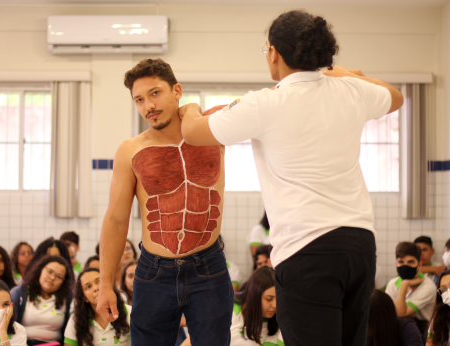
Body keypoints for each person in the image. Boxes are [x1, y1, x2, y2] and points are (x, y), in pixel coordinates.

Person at [179, 9, 403, 346]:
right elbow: (396, 97)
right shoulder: (349, 91)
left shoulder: (265, 103)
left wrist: (191, 108)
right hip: (359, 245)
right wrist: (342, 74)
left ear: (274, 52)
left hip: (307, 248)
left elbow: (193, 132)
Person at [97, 58, 233, 346]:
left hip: (208, 266)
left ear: (177, 91)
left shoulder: (215, 129)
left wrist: (194, 111)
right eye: (139, 99)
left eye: (155, 93)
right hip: (154, 271)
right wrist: (104, 285)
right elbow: (116, 219)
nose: (148, 106)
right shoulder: (130, 150)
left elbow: (267, 104)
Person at [11, 255, 74, 345]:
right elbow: (9, 327)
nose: (52, 278)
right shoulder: (19, 293)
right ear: (40, 269)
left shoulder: (68, 298)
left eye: (59, 277)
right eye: (49, 272)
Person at [64, 268, 131, 346]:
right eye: (88, 287)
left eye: (99, 282)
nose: (95, 288)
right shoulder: (75, 320)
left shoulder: (129, 312)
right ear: (85, 298)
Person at [386, 242, 436, 337]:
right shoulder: (392, 283)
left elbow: (401, 315)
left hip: (423, 332)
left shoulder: (427, 286)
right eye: (401, 262)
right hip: (398, 329)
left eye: (411, 262)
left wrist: (404, 284)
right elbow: (390, 314)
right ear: (396, 263)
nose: (405, 266)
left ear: (419, 263)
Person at [230, 266, 282, 346]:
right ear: (254, 296)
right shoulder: (230, 308)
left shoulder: (275, 320)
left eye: (279, 299)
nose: (275, 305)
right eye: (269, 299)